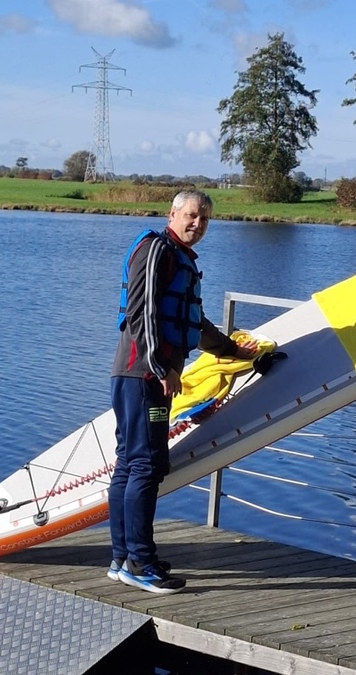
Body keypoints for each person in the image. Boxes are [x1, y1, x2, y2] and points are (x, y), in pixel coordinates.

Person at [108, 190, 257, 594]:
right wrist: (160, 367)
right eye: (191, 215)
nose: (197, 224)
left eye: (205, 219)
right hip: (144, 376)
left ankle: (123, 558)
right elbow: (145, 312)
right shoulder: (158, 250)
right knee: (146, 466)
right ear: (173, 213)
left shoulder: (179, 258)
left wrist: (228, 349)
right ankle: (140, 562)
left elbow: (191, 320)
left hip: (138, 376)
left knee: (131, 463)